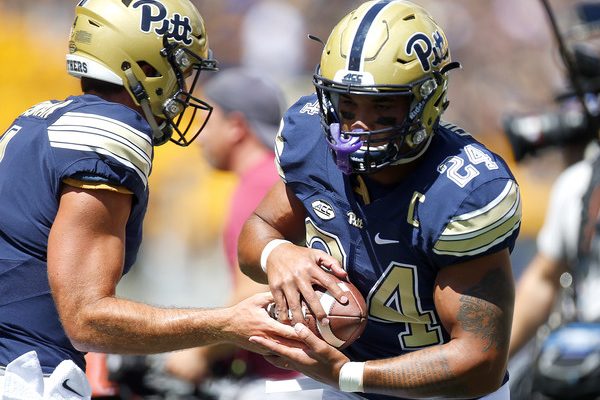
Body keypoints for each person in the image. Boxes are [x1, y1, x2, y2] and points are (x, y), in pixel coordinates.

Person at [0, 1, 296, 398]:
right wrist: (227, 323)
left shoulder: (41, 116)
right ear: (148, 67)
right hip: (27, 375)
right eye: (180, 70)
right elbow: (86, 319)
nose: (184, 87)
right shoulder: (110, 131)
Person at [237, 1, 522, 399]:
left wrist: (349, 373)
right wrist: (278, 254)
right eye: (346, 103)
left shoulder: (465, 191)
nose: (357, 125)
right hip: (345, 380)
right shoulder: (309, 137)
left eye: (382, 105)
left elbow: (480, 363)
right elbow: (257, 232)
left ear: (428, 100)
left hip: (446, 392)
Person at [165, 68, 301, 397]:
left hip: (281, 381)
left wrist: (197, 353)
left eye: (208, 122)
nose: (200, 136)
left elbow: (254, 294)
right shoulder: (274, 176)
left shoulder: (259, 183)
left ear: (236, 127)